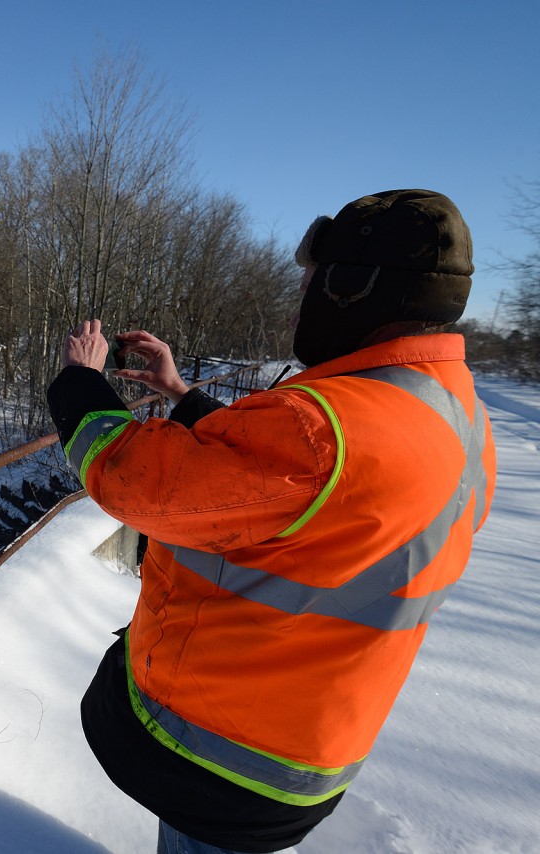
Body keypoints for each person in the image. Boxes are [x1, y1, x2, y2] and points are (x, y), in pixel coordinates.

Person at [46, 189, 496, 853]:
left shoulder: (320, 426)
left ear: (355, 288)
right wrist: (183, 395)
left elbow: (130, 479)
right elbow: (301, 491)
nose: (301, 296)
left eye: (312, 279)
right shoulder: (459, 419)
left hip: (218, 754)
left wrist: (80, 383)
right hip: (307, 749)